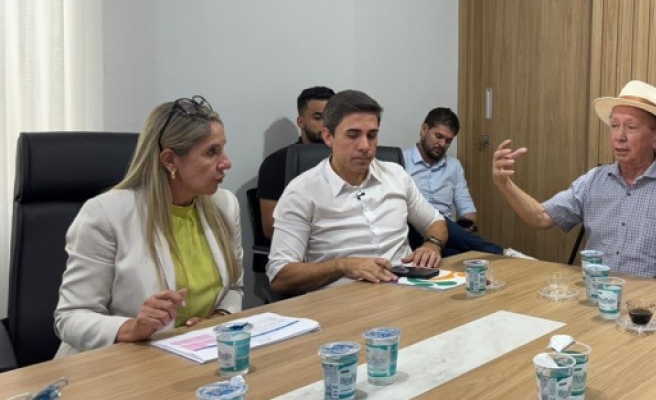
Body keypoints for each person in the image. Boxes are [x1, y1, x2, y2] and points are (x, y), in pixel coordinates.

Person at [492, 80, 656, 281]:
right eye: (614, 125)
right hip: (598, 300)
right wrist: (505, 184)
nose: (619, 137)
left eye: (631, 128)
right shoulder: (594, 180)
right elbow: (540, 217)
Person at [54, 96, 243, 356]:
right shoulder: (105, 214)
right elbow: (70, 317)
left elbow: (234, 287)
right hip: (117, 361)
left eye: (223, 149)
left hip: (195, 355)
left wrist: (218, 318)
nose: (226, 162)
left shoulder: (225, 205)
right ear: (169, 160)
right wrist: (132, 328)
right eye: (212, 152)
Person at [267, 90, 448, 294]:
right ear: (328, 136)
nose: (365, 146)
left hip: (405, 290)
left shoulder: (396, 175)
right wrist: (341, 266)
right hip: (342, 299)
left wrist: (432, 245)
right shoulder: (301, 191)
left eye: (372, 135)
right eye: (353, 135)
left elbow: (436, 222)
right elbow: (280, 276)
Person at [404, 107, 521, 258]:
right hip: (415, 232)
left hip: (447, 236)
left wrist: (465, 227)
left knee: (470, 260)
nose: (442, 144)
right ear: (424, 129)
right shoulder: (400, 162)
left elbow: (467, 209)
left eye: (448, 141)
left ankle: (505, 259)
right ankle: (503, 253)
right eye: (438, 136)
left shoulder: (454, 166)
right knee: (434, 216)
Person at [257, 85, 334, 237]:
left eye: (331, 118)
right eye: (318, 118)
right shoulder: (277, 163)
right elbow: (271, 227)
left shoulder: (348, 159)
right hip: (302, 246)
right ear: (301, 121)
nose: (326, 125)